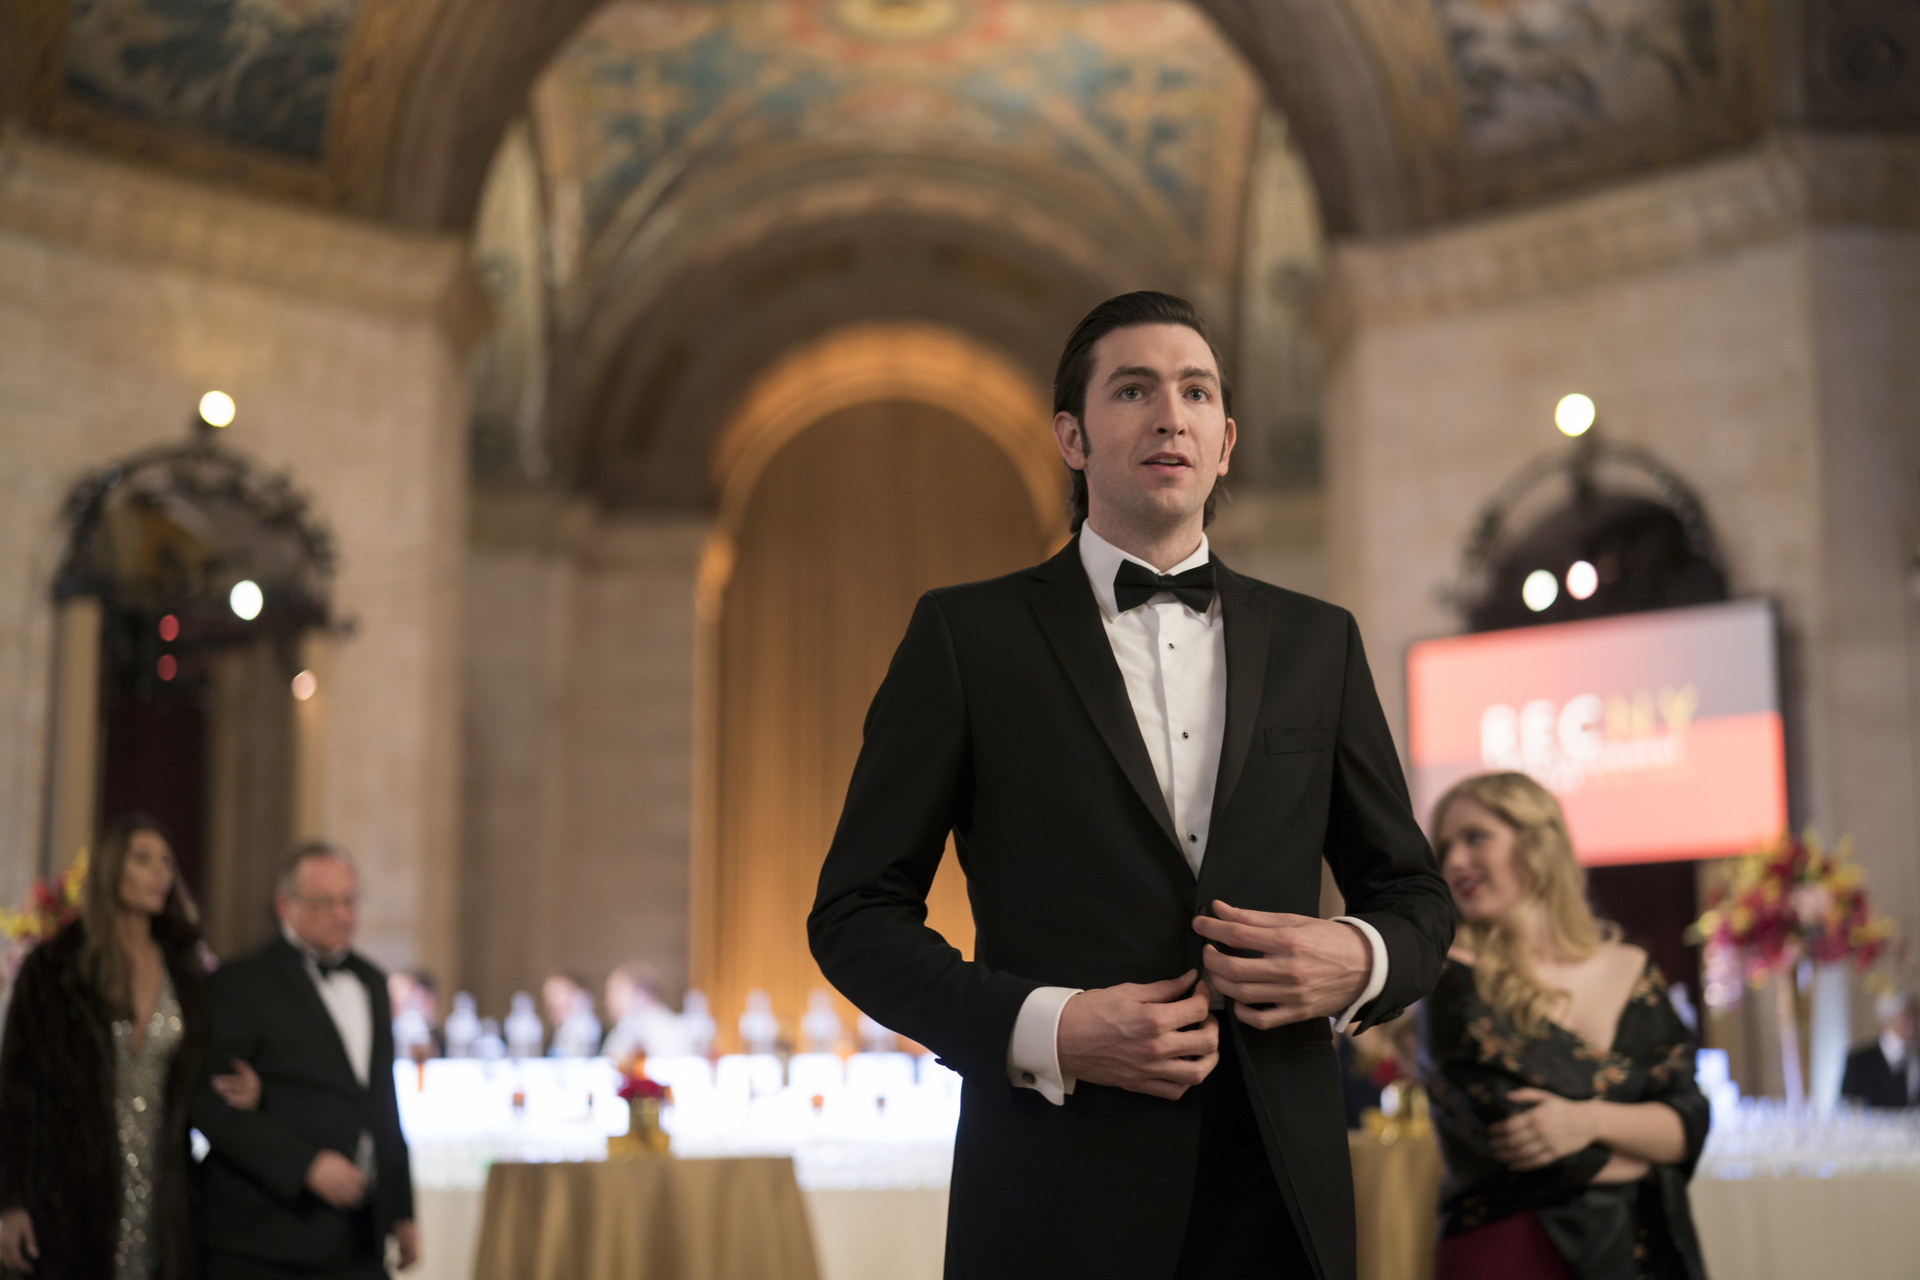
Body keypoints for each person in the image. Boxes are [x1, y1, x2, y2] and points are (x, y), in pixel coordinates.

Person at [809, 291, 1454, 1279]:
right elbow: (855, 912)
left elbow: (1413, 898)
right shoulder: (965, 637)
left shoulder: (1320, 643)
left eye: (1196, 391)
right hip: (1054, 1185)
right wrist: (1052, 1028)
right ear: (1072, 435)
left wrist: (1358, 958)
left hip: (1280, 1191)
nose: (1170, 414)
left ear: (1227, 438)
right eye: (1134, 389)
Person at [1418, 772, 1709, 1280]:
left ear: (1536, 841)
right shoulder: (1451, 979)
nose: (1454, 861)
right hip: (1512, 1251)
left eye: (1475, 837)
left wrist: (1588, 1121)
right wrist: (1647, 1144)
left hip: (1645, 1250)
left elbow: (1690, 1123)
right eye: (1445, 847)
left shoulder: (1631, 968)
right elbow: (1518, 1144)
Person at [0, 814, 259, 1280]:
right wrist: (10, 1201)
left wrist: (247, 1090)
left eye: (166, 861)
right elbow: (17, 1090)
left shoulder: (186, 972)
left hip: (165, 1191)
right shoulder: (54, 968)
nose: (160, 873)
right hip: (67, 1191)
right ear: (109, 868)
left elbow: (204, 1070)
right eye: (143, 860)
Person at [191, 842, 418, 1280]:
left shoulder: (371, 981)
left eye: (350, 900)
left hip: (357, 1235)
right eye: (324, 902)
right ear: (284, 906)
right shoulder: (240, 984)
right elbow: (209, 1103)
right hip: (265, 1235)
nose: (341, 914)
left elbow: (382, 1102)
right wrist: (304, 1164)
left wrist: (402, 1209)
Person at [1839, 991, 1918, 1108]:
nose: (1915, 1022)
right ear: (1888, 1019)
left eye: (1917, 1015)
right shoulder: (1859, 1060)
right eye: (1907, 1016)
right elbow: (1848, 1106)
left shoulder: (1916, 1056)